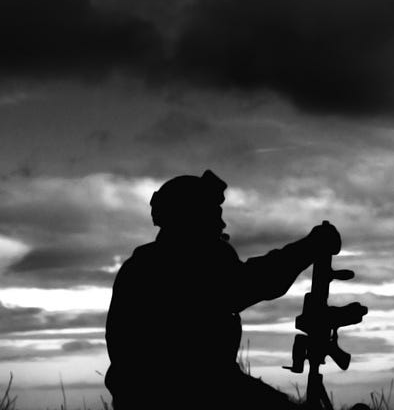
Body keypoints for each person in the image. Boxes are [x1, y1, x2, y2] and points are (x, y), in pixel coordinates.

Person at [105, 170, 339, 409]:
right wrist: (310, 248)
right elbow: (253, 282)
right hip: (188, 392)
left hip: (163, 391)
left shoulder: (142, 264)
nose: (221, 224)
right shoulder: (184, 263)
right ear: (191, 218)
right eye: (213, 215)